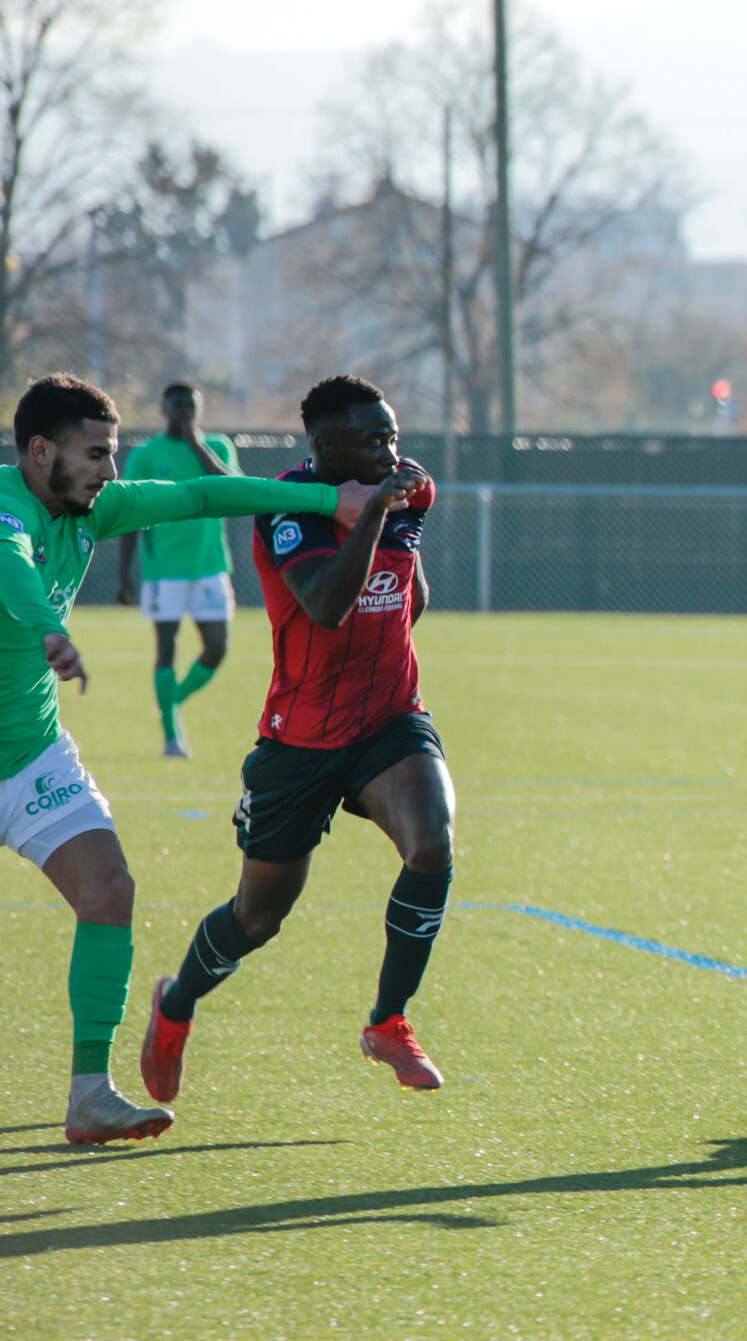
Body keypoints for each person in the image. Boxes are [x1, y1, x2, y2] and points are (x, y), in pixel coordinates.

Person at [0, 373, 374, 1144]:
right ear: (39, 452)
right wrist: (49, 628)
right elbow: (11, 566)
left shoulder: (96, 507)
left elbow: (202, 495)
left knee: (108, 889)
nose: (111, 470)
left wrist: (324, 499)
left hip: (31, 752)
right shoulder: (8, 508)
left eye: (113, 452)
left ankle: (90, 1094)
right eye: (95, 454)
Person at [140, 375, 452, 1105]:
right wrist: (376, 512)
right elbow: (328, 605)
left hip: (389, 720)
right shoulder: (288, 506)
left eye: (394, 437)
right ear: (326, 447)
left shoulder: (406, 496)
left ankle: (388, 1021)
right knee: (257, 918)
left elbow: (412, 598)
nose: (390, 452)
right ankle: (176, 1005)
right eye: (373, 439)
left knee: (432, 845)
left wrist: (393, 515)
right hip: (300, 740)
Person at [115, 382, 242, 758]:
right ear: (163, 408)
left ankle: (170, 703)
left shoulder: (217, 446)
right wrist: (124, 575)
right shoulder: (146, 454)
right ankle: (172, 737)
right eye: (178, 405)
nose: (184, 411)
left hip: (209, 566)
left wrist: (196, 445)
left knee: (216, 649)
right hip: (164, 570)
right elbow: (130, 515)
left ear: (199, 410)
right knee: (167, 647)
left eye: (191, 406)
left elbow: (233, 489)